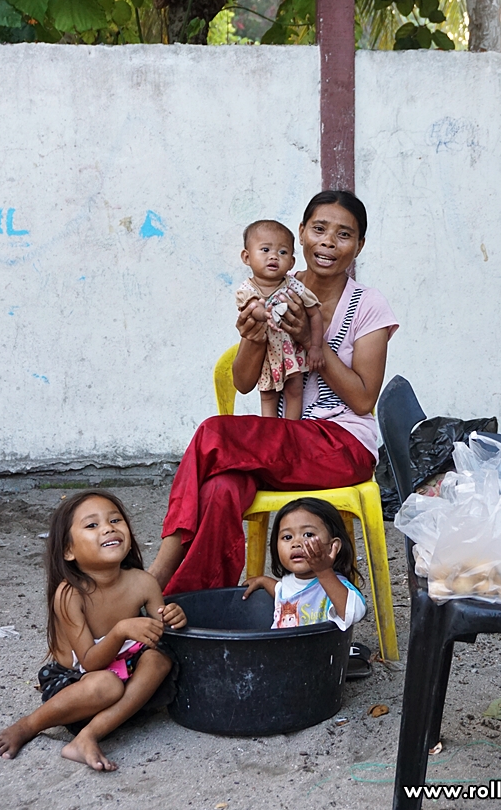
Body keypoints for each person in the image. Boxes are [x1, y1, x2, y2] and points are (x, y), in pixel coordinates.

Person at [149, 189, 398, 598]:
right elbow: (245, 381)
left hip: (341, 445)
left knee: (214, 433)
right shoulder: (273, 287)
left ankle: (156, 573)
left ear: (359, 246)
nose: (329, 243)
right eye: (319, 229)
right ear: (300, 234)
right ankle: (192, 604)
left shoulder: (369, 306)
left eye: (344, 235)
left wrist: (311, 340)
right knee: (220, 489)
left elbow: (363, 399)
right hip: (281, 444)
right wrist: (253, 337)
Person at [0, 491, 186, 772]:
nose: (108, 528)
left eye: (115, 520)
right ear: (69, 551)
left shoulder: (143, 582)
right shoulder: (70, 594)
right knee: (106, 684)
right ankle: (29, 725)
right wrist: (120, 631)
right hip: (79, 684)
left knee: (160, 660)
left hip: (128, 677)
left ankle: (88, 736)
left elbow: (160, 635)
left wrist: (173, 618)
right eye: (92, 525)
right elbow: (91, 662)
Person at [236, 219, 324, 419]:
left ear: (291, 262)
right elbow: (253, 307)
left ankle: (291, 432)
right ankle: (271, 438)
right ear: (247, 257)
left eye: (282, 252)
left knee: (295, 390)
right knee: (268, 395)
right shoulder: (247, 289)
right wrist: (264, 313)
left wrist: (316, 347)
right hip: (266, 355)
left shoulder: (293, 285)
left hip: (290, 350)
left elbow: (314, 312)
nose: (274, 256)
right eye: (265, 250)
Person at [242, 497, 366, 631]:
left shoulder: (334, 585)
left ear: (332, 547)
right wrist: (263, 581)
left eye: (308, 534)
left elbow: (354, 613)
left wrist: (324, 572)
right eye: (287, 537)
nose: (296, 543)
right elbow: (286, 593)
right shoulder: (287, 584)